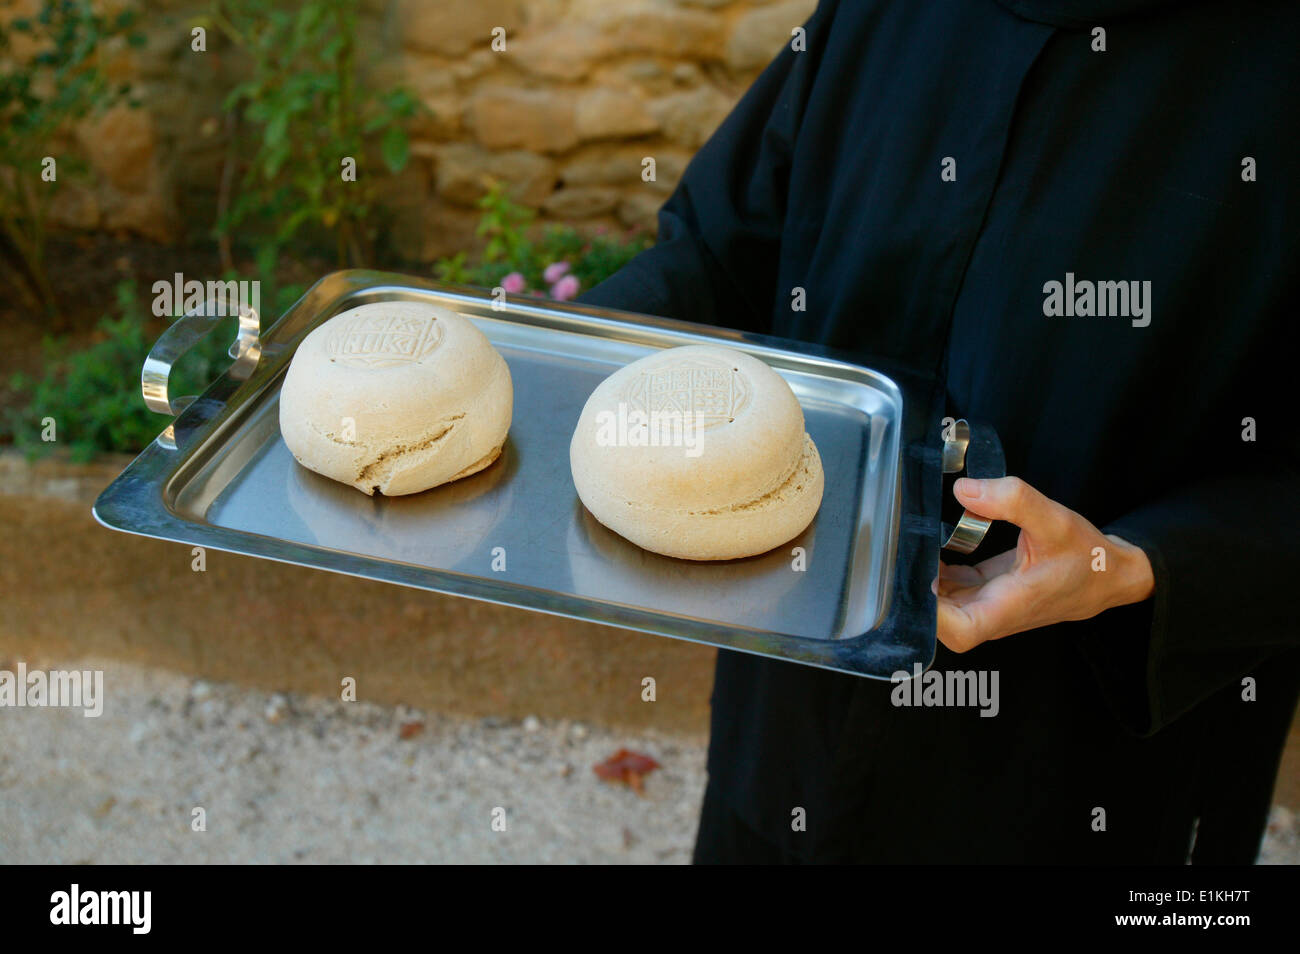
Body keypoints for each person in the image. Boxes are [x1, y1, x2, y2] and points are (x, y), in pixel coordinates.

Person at [579, 0, 1300, 863]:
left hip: (1081, 766)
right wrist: (548, 361)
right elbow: (722, 244)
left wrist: (1136, 565)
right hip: (794, 719)